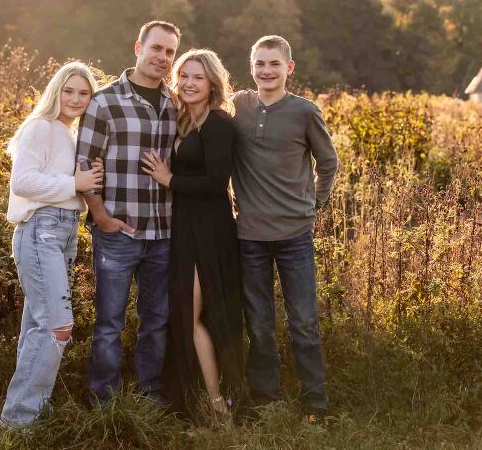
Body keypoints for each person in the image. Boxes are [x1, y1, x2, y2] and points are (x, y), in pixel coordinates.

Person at [232, 35, 338, 423]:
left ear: (288, 68)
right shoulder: (239, 106)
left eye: (274, 64)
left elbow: (328, 163)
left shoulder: (305, 112)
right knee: (258, 322)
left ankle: (316, 404)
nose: (266, 70)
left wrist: (315, 204)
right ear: (251, 68)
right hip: (250, 236)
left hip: (295, 236)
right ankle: (265, 400)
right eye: (259, 63)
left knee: (304, 322)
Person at [76, 21, 181, 405]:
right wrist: (101, 217)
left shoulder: (176, 104)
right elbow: (85, 163)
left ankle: (149, 395)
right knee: (109, 323)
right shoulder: (105, 101)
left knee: (156, 322)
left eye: (169, 52)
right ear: (138, 47)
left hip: (164, 234)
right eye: (156, 48)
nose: (162, 58)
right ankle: (104, 399)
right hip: (117, 233)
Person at [141, 49, 244, 422]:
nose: (188, 83)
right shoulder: (184, 121)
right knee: (184, 313)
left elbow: (217, 183)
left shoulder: (218, 124)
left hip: (209, 229)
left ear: (212, 83)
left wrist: (170, 179)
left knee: (198, 313)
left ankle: (219, 405)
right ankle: (199, 398)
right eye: (183, 76)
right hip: (182, 227)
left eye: (197, 77)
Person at [0, 62, 104, 427]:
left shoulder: (69, 133)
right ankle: (19, 420)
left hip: (63, 231)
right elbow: (23, 183)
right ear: (55, 91)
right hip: (40, 229)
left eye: (84, 93)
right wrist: (73, 183)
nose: (76, 99)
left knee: (38, 326)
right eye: (69, 90)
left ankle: (21, 417)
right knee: (57, 326)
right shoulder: (40, 127)